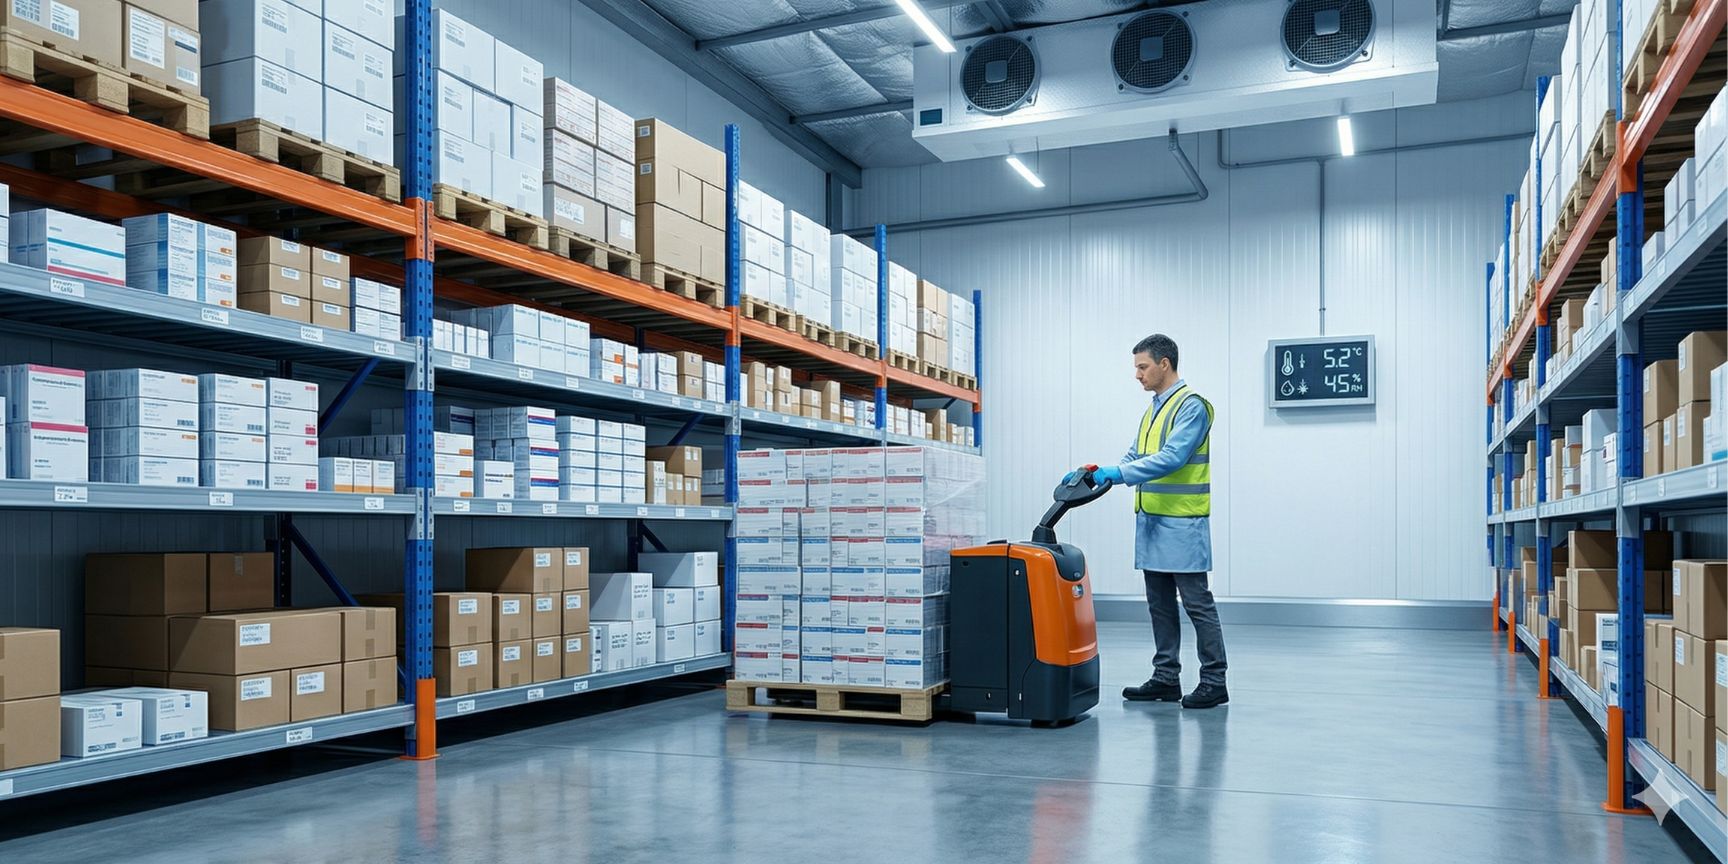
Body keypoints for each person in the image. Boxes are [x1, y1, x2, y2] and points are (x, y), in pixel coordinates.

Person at [1069, 333, 1228, 709]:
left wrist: (1118, 473)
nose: (1137, 375)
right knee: (1158, 603)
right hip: (1153, 523)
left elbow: (1173, 457)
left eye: (1142, 367)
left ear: (1164, 364)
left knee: (1196, 603)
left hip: (1182, 524)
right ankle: (1165, 678)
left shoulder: (1191, 407)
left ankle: (1214, 680)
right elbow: (1136, 454)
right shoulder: (1153, 409)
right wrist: (1097, 472)